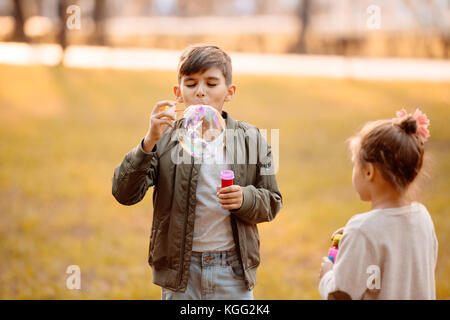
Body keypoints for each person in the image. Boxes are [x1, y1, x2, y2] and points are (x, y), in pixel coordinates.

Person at [112, 44, 282, 300]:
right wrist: (148, 142)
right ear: (178, 93)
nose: (200, 92)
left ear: (230, 91)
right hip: (181, 271)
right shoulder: (164, 140)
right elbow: (124, 193)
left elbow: (272, 201)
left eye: (211, 84)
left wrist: (245, 199)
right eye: (190, 84)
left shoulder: (252, 139)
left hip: (233, 270)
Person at [319, 109, 438, 300]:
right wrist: (354, 240)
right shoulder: (423, 217)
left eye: (355, 164)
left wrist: (327, 275)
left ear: (369, 172)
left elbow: (340, 295)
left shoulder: (362, 231)